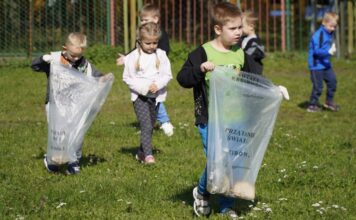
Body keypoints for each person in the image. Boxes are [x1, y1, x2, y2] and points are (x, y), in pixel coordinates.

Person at [176, 2, 261, 219]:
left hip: (236, 119)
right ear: (217, 29)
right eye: (233, 29)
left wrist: (275, 89)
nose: (239, 32)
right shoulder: (202, 53)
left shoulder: (240, 54)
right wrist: (199, 69)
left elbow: (257, 79)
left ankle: (226, 205)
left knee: (233, 161)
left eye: (240, 28)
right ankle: (202, 193)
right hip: (210, 119)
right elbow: (182, 78)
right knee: (218, 162)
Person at [31, 32, 110, 174]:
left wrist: (103, 78)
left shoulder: (84, 64)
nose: (75, 58)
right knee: (59, 134)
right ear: (65, 48)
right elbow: (34, 66)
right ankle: (52, 160)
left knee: (76, 134)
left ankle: (73, 161)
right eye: (72, 55)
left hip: (75, 106)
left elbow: (96, 76)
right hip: (55, 105)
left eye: (79, 55)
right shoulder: (54, 59)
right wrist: (44, 59)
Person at [117, 3, 174, 136]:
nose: (142, 22)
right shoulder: (144, 34)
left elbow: (163, 51)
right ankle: (147, 126)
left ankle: (165, 122)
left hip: (155, 73)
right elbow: (138, 52)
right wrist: (126, 58)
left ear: (156, 19)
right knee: (146, 99)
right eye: (141, 20)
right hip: (144, 73)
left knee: (156, 99)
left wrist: (156, 61)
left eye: (145, 20)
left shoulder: (159, 35)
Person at [123, 22, 172, 164]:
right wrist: (144, 88)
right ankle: (149, 155)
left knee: (150, 125)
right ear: (139, 41)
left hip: (156, 97)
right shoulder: (132, 57)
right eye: (148, 43)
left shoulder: (161, 55)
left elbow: (167, 75)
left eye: (155, 43)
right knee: (146, 125)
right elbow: (127, 77)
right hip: (140, 97)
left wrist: (158, 85)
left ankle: (141, 152)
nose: (152, 46)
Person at [307, 12, 339, 112]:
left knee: (332, 82)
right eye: (331, 26)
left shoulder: (329, 33)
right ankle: (312, 105)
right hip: (316, 65)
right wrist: (328, 52)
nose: (333, 29)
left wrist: (331, 49)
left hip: (325, 63)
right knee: (318, 87)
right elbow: (316, 51)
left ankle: (328, 102)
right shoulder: (318, 35)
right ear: (324, 23)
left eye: (334, 26)